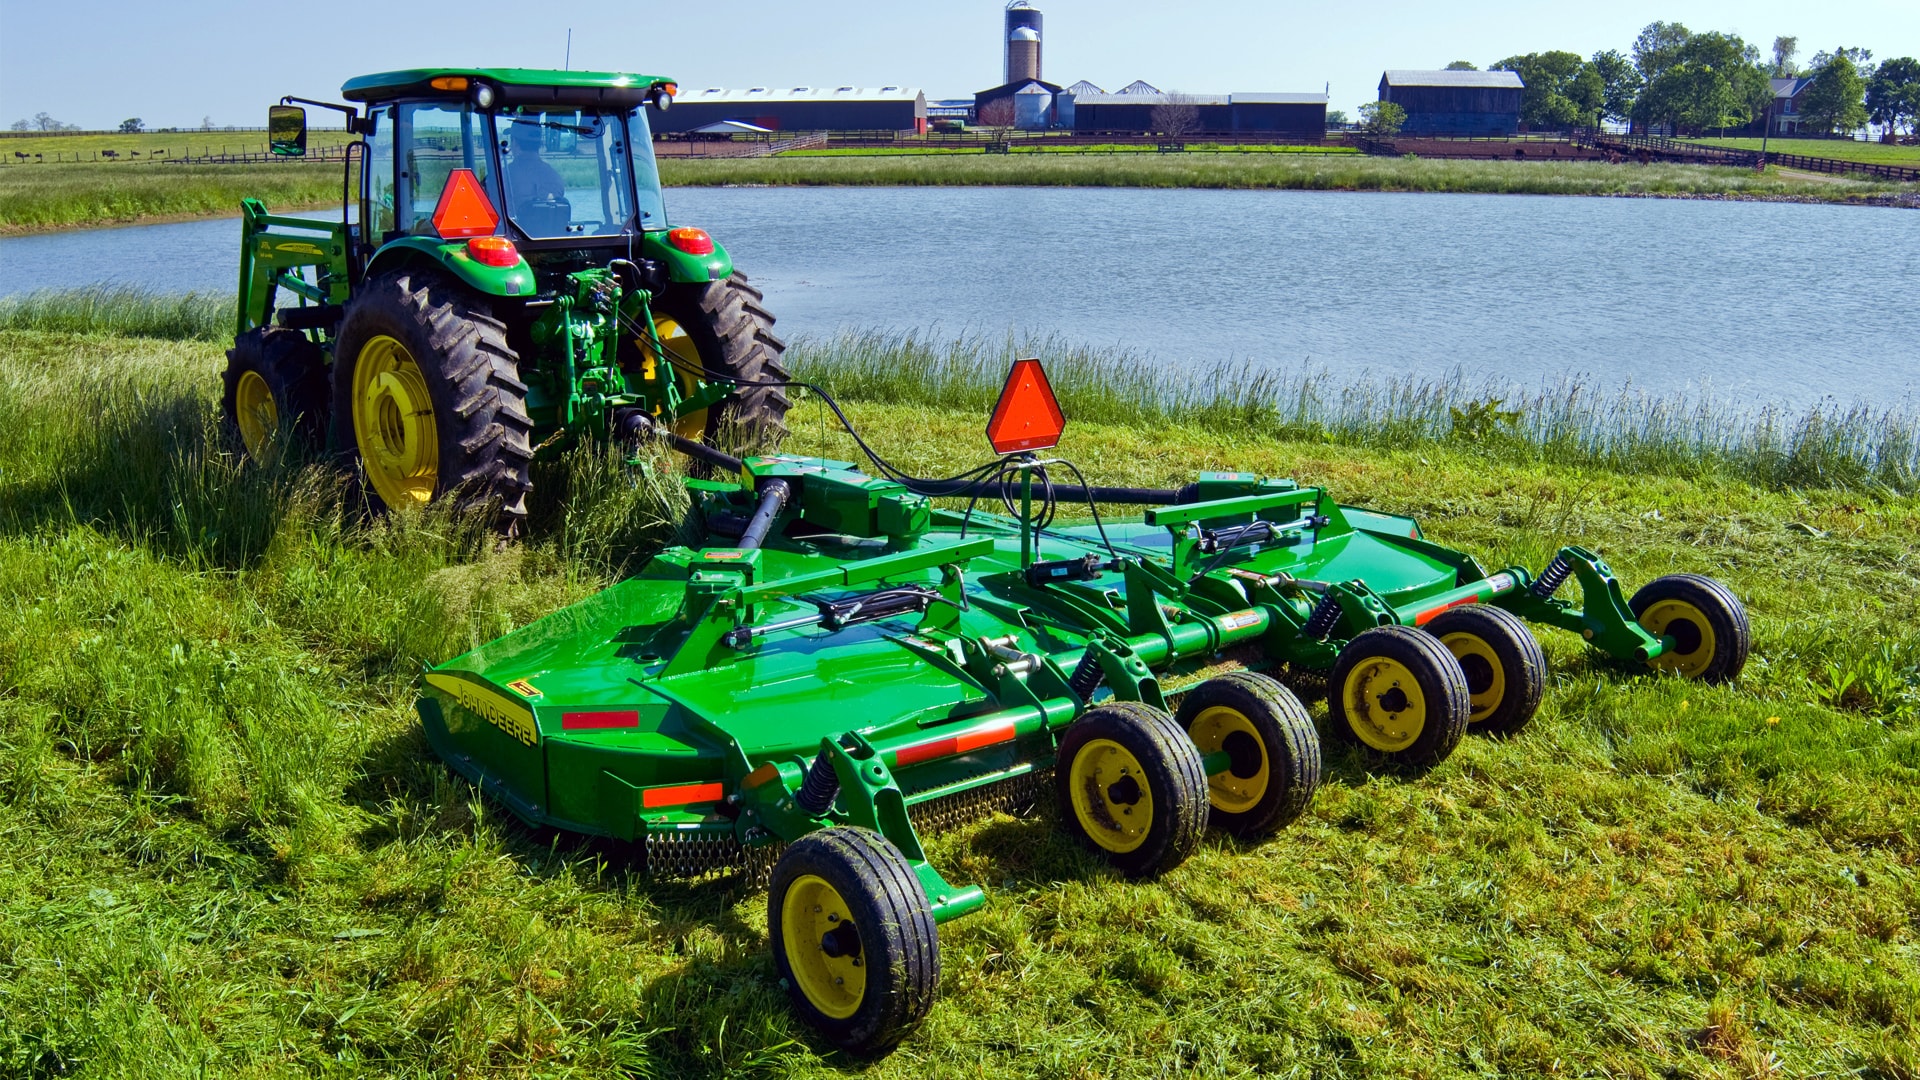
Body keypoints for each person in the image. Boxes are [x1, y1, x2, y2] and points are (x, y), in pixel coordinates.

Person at [504, 118, 568, 231]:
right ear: (538, 145)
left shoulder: (504, 176)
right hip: (551, 240)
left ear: (515, 143)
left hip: (516, 240)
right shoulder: (554, 176)